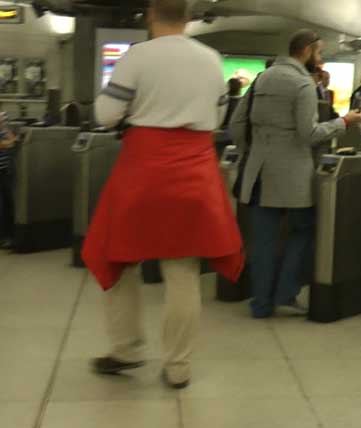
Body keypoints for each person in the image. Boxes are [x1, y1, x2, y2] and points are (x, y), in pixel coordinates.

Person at [83, 0, 245, 389]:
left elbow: (105, 115)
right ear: (188, 18)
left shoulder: (138, 57)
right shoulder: (211, 59)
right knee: (183, 269)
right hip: (194, 170)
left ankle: (126, 348)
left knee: (119, 257)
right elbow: (219, 116)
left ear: (151, 15)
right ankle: (178, 367)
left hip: (142, 170)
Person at [238, 29, 361, 319]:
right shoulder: (302, 84)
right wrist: (344, 122)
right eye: (318, 54)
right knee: (303, 230)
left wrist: (254, 151)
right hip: (292, 175)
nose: (320, 61)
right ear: (306, 51)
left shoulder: (261, 79)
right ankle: (285, 293)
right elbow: (309, 134)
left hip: (258, 174)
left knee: (263, 240)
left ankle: (261, 304)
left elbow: (237, 122)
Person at [0, 111, 16, 249]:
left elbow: (12, 139)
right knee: (4, 204)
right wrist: (11, 140)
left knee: (7, 203)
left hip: (4, 172)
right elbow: (6, 144)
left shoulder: (3, 130)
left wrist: (5, 129)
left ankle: (7, 236)